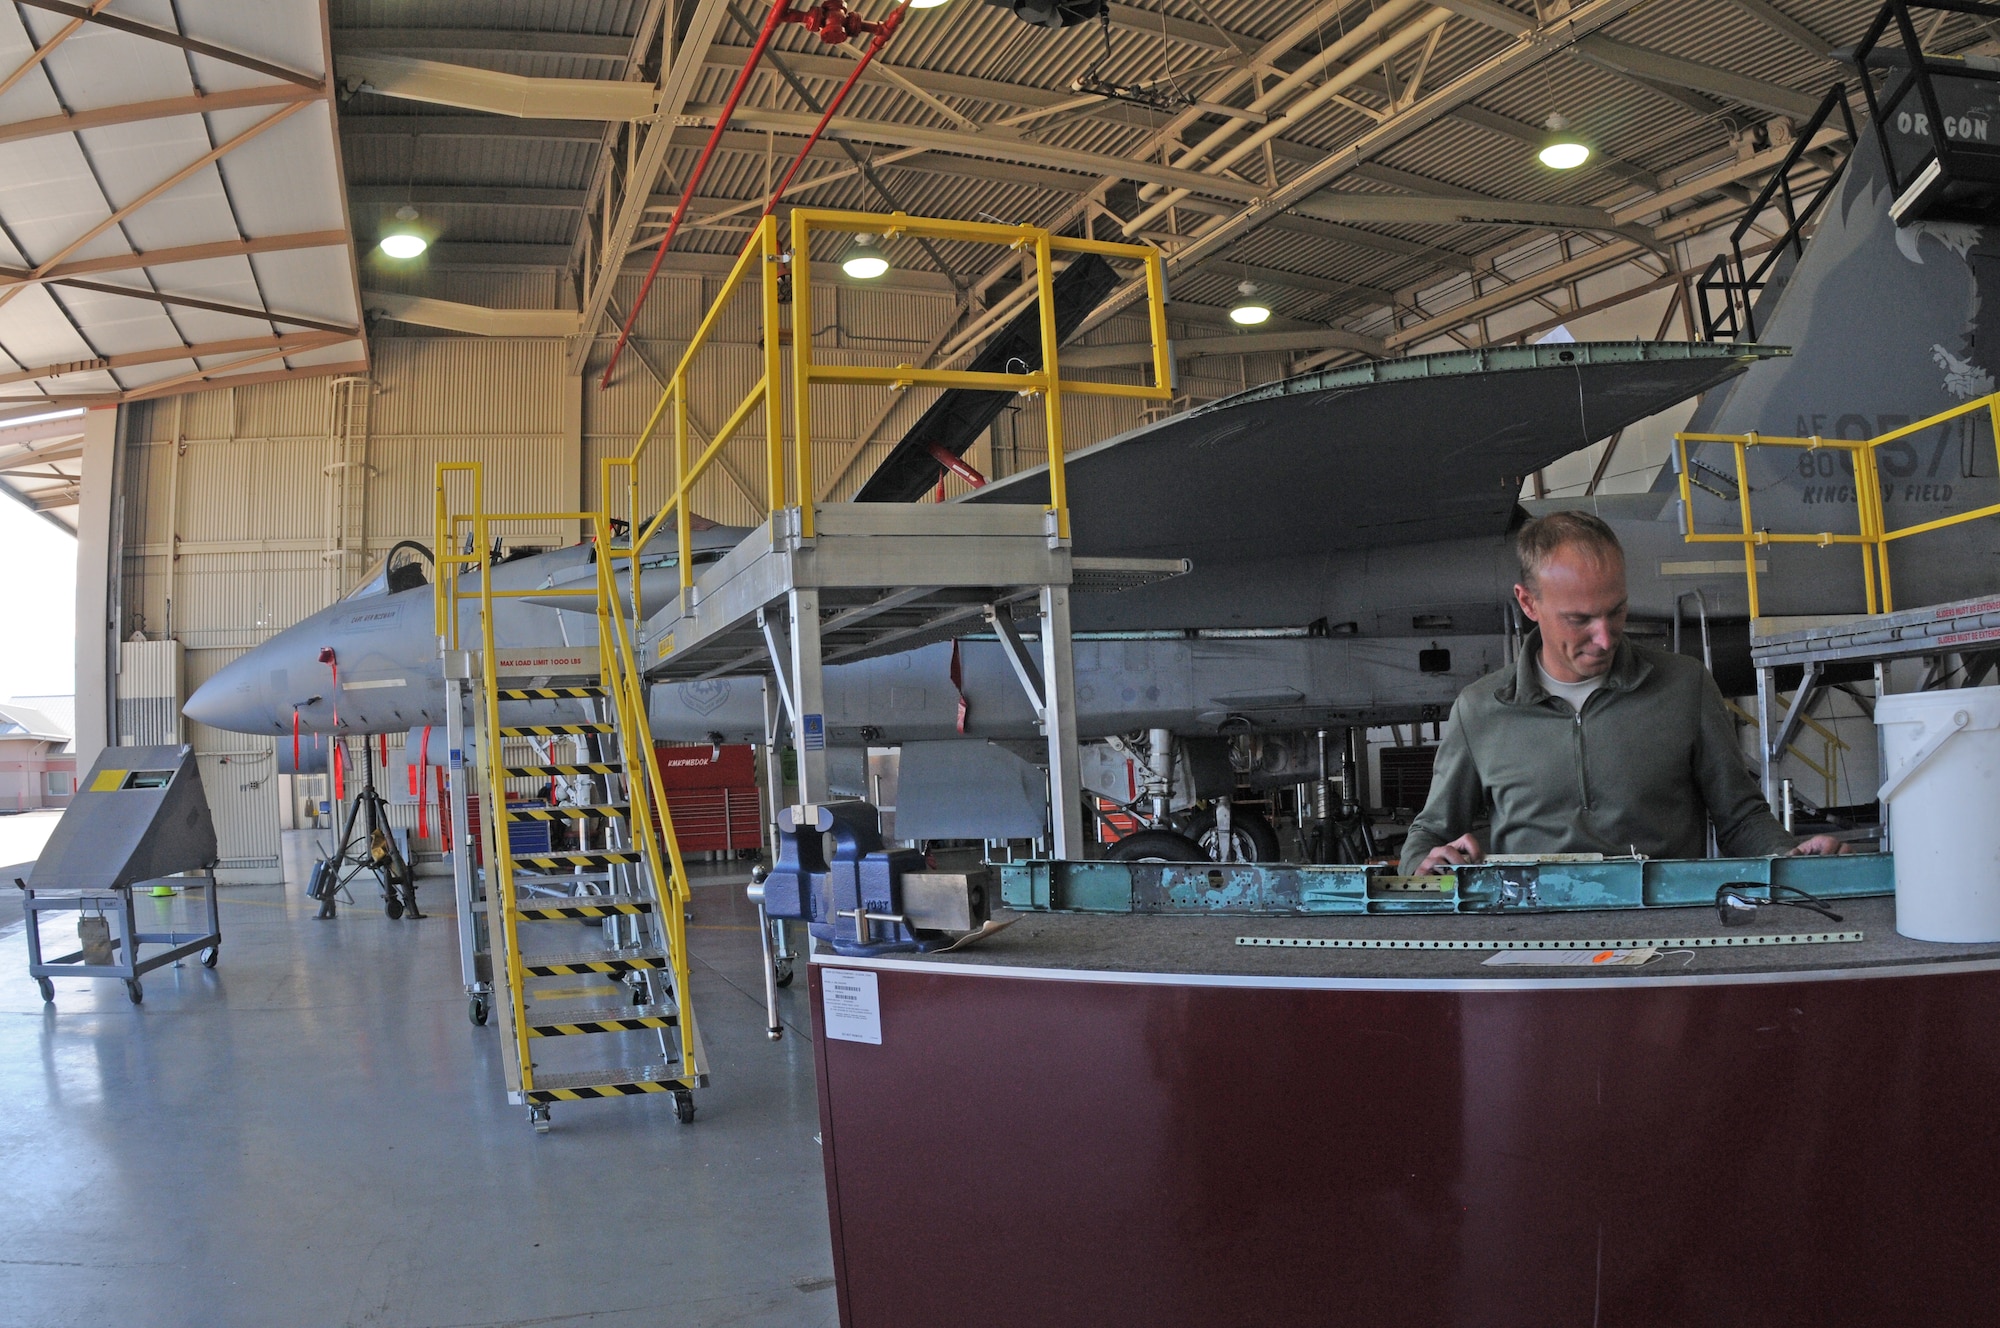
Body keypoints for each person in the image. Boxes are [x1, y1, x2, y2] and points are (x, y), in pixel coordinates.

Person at [1400, 510, 1843, 875]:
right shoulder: (1479, 710)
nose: (1606, 638)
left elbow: (1741, 818)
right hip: (1534, 942)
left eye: (1616, 612)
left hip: (1665, 935)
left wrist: (1791, 861)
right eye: (1579, 619)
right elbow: (1428, 835)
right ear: (1528, 603)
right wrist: (1425, 862)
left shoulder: (1686, 687)